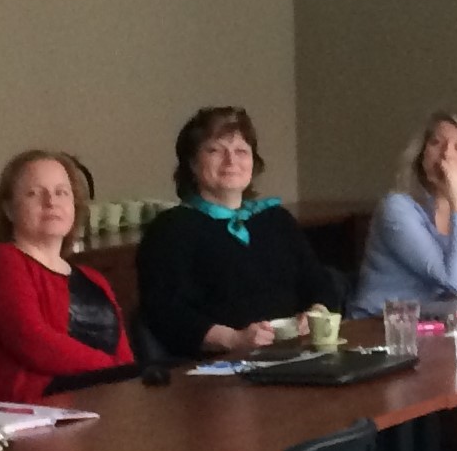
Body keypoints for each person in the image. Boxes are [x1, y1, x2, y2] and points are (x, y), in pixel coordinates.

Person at [137, 104, 338, 359]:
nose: (231, 161)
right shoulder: (169, 230)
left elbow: (320, 283)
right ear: (192, 163)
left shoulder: (277, 220)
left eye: (241, 151)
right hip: (218, 366)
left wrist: (315, 314)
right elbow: (166, 312)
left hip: (296, 355)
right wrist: (234, 339)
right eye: (215, 150)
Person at [0, 150, 135, 404]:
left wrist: (128, 380)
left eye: (61, 192)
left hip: (102, 397)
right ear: (9, 209)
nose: (51, 201)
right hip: (34, 406)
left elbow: (125, 356)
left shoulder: (94, 279)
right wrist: (116, 371)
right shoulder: (0, 261)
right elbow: (33, 342)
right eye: (34, 193)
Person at [349, 111, 457, 314]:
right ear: (422, 155)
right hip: (380, 326)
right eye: (436, 143)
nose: (446, 154)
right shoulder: (396, 209)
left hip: (446, 325)